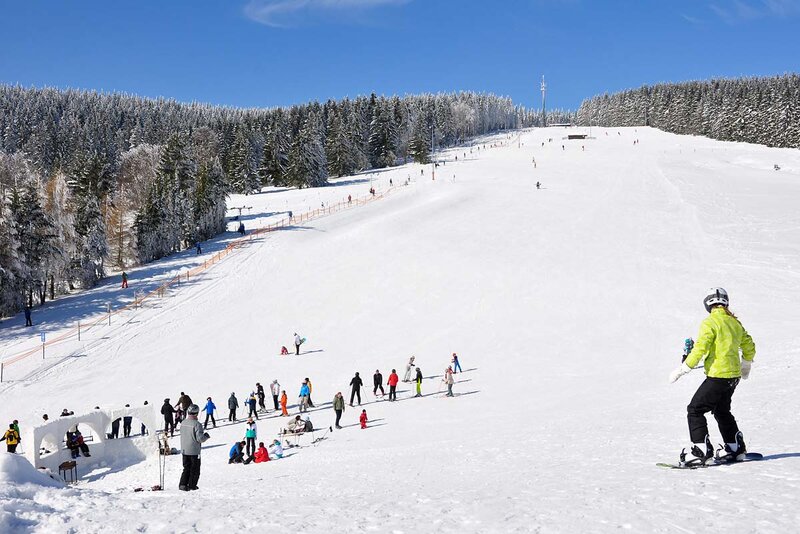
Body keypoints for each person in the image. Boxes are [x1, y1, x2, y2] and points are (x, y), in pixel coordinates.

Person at [669, 288, 756, 466]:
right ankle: (734, 448)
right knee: (721, 410)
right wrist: (745, 365)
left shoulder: (710, 322)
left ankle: (701, 450)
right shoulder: (734, 323)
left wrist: (684, 368)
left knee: (695, 409)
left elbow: (700, 348)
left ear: (708, 304)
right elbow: (749, 345)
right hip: (733, 377)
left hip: (718, 376)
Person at [179, 404, 209, 490]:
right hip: (194, 450)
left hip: (184, 449)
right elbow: (200, 439)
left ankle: (183, 484)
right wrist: (206, 436)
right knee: (195, 469)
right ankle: (192, 485)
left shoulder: (183, 423)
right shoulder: (197, 424)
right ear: (196, 413)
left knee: (186, 468)